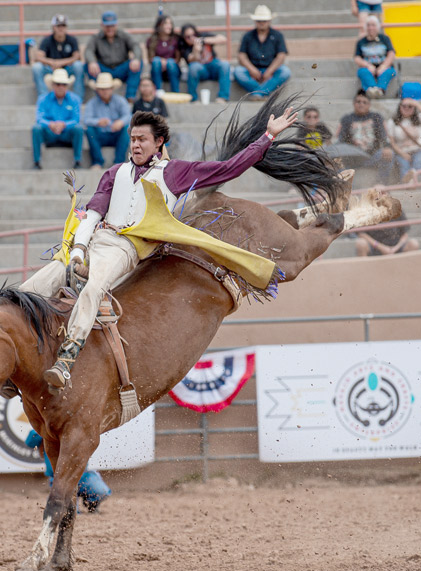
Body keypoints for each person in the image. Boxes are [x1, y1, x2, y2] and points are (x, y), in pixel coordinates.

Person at [20, 108, 300, 387]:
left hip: (124, 247)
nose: (136, 144)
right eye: (133, 139)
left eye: (142, 139)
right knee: (31, 289)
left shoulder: (175, 172)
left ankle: (68, 357)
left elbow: (229, 168)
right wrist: (78, 250)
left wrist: (268, 136)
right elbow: (93, 214)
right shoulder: (115, 172)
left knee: (94, 287)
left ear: (159, 143)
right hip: (91, 240)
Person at [25, 429, 112, 513]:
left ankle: (91, 505)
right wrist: (48, 428)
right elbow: (30, 441)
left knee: (101, 491)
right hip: (59, 479)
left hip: (82, 476)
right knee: (69, 511)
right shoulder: (48, 430)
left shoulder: (78, 428)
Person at [234, 5, 290, 100]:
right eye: (259, 20)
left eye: (264, 20)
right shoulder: (248, 36)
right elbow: (241, 55)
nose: (261, 23)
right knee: (238, 72)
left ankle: (258, 93)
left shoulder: (277, 35)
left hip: (270, 68)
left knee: (285, 72)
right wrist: (252, 69)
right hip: (252, 68)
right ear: (255, 21)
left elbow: (281, 55)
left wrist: (270, 70)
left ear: (269, 21)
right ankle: (263, 93)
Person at [84, 11, 143, 101]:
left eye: (112, 25)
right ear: (102, 25)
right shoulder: (96, 37)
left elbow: (136, 46)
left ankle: (130, 96)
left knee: (138, 63)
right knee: (88, 66)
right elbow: (88, 51)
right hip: (104, 70)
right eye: (107, 26)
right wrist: (92, 61)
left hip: (121, 69)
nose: (110, 28)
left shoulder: (124, 35)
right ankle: (100, 95)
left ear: (116, 24)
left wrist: (136, 59)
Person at [32, 68, 83, 170]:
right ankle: (37, 161)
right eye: (58, 84)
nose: (60, 87)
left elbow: (76, 119)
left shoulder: (75, 99)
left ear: (67, 86)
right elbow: (39, 118)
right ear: (53, 85)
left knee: (79, 129)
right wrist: (50, 124)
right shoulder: (43, 99)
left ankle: (78, 160)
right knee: (36, 129)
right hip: (50, 132)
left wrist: (64, 124)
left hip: (66, 132)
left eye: (63, 84)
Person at [337, 89, 392, 182]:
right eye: (358, 102)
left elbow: (383, 135)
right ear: (354, 104)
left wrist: (387, 147)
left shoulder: (376, 117)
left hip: (372, 156)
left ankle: (381, 185)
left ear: (369, 105)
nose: (361, 104)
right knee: (337, 161)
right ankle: (348, 190)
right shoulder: (347, 119)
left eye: (364, 102)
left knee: (389, 153)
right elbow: (341, 139)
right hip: (353, 158)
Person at [32, 14, 85, 102]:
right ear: (53, 27)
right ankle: (44, 100)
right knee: (36, 67)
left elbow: (77, 56)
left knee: (78, 66)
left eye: (63, 26)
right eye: (58, 26)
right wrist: (52, 62)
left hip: (67, 68)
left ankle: (78, 99)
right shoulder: (47, 40)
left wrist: (62, 62)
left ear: (66, 27)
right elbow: (39, 56)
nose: (61, 28)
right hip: (51, 69)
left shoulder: (72, 39)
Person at [84, 73, 132, 169]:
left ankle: (118, 162)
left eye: (107, 88)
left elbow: (128, 116)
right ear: (97, 90)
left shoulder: (120, 101)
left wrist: (120, 122)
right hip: (100, 135)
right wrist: (98, 122)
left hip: (116, 134)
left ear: (112, 89)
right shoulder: (92, 103)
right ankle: (97, 161)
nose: (104, 91)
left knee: (126, 128)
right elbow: (86, 120)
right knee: (89, 130)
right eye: (102, 89)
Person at [386, 98, 421, 183]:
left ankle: (410, 182)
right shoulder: (392, 122)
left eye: (410, 106)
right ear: (399, 107)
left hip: (418, 150)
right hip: (401, 151)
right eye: (404, 106)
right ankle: (411, 182)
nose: (407, 108)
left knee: (418, 162)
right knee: (403, 165)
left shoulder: (419, 118)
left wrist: (416, 103)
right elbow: (392, 142)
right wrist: (402, 154)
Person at [181, 23, 230, 104]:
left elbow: (223, 39)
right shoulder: (184, 46)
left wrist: (203, 40)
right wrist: (196, 50)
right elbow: (191, 60)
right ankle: (193, 99)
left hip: (213, 65)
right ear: (184, 38)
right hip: (201, 70)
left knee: (225, 65)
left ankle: (223, 97)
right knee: (193, 67)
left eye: (193, 35)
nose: (192, 38)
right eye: (188, 37)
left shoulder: (203, 36)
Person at [354, 16, 396, 99]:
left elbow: (391, 53)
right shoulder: (361, 41)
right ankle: (372, 89)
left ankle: (380, 90)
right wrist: (367, 65)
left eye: (373, 25)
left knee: (388, 72)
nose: (370, 28)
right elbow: (357, 57)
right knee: (362, 72)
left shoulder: (385, 38)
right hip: (368, 66)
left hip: (384, 65)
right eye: (368, 25)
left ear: (377, 27)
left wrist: (383, 66)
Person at [147, 14, 182, 94]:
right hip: (157, 70)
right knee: (156, 61)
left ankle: (176, 92)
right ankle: (158, 91)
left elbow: (178, 59)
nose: (169, 26)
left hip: (172, 69)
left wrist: (166, 62)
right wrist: (161, 61)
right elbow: (150, 59)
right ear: (159, 25)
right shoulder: (151, 40)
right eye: (166, 23)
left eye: (170, 23)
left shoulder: (176, 39)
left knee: (170, 62)